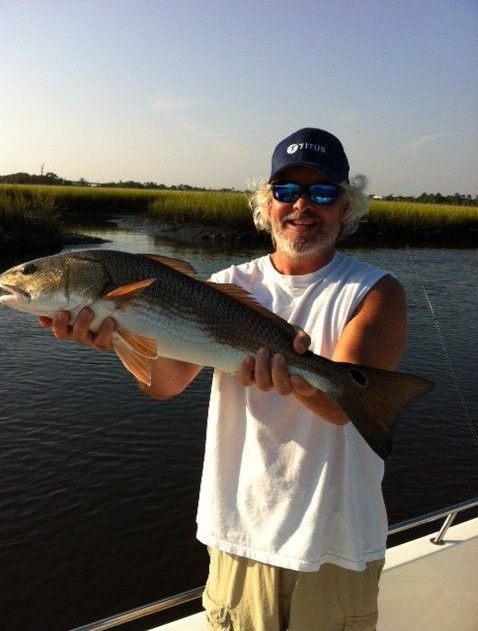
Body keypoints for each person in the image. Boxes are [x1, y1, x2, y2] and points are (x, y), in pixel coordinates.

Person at [40, 127, 407, 631]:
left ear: (346, 207)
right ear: (267, 203)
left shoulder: (376, 291)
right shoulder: (223, 285)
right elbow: (165, 385)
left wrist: (296, 379)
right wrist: (116, 341)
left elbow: (345, 406)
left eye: (322, 193)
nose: (302, 205)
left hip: (334, 545)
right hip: (238, 535)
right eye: (286, 191)